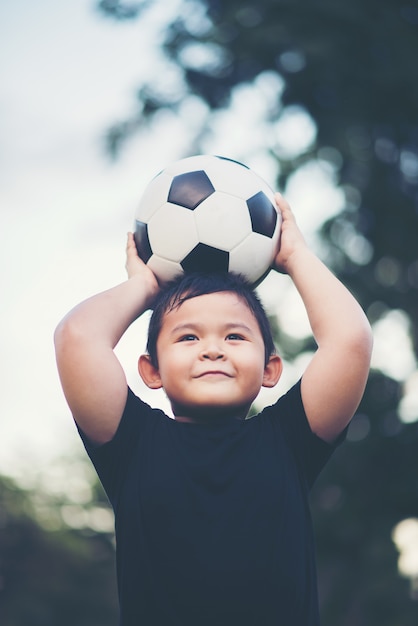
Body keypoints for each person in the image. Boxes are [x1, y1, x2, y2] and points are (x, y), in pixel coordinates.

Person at [54, 193, 373, 626]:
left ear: (270, 369)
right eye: (188, 338)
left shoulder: (290, 440)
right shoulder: (130, 443)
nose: (212, 350)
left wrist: (296, 256)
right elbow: (77, 338)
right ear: (151, 370)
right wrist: (145, 288)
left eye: (235, 337)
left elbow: (349, 340)